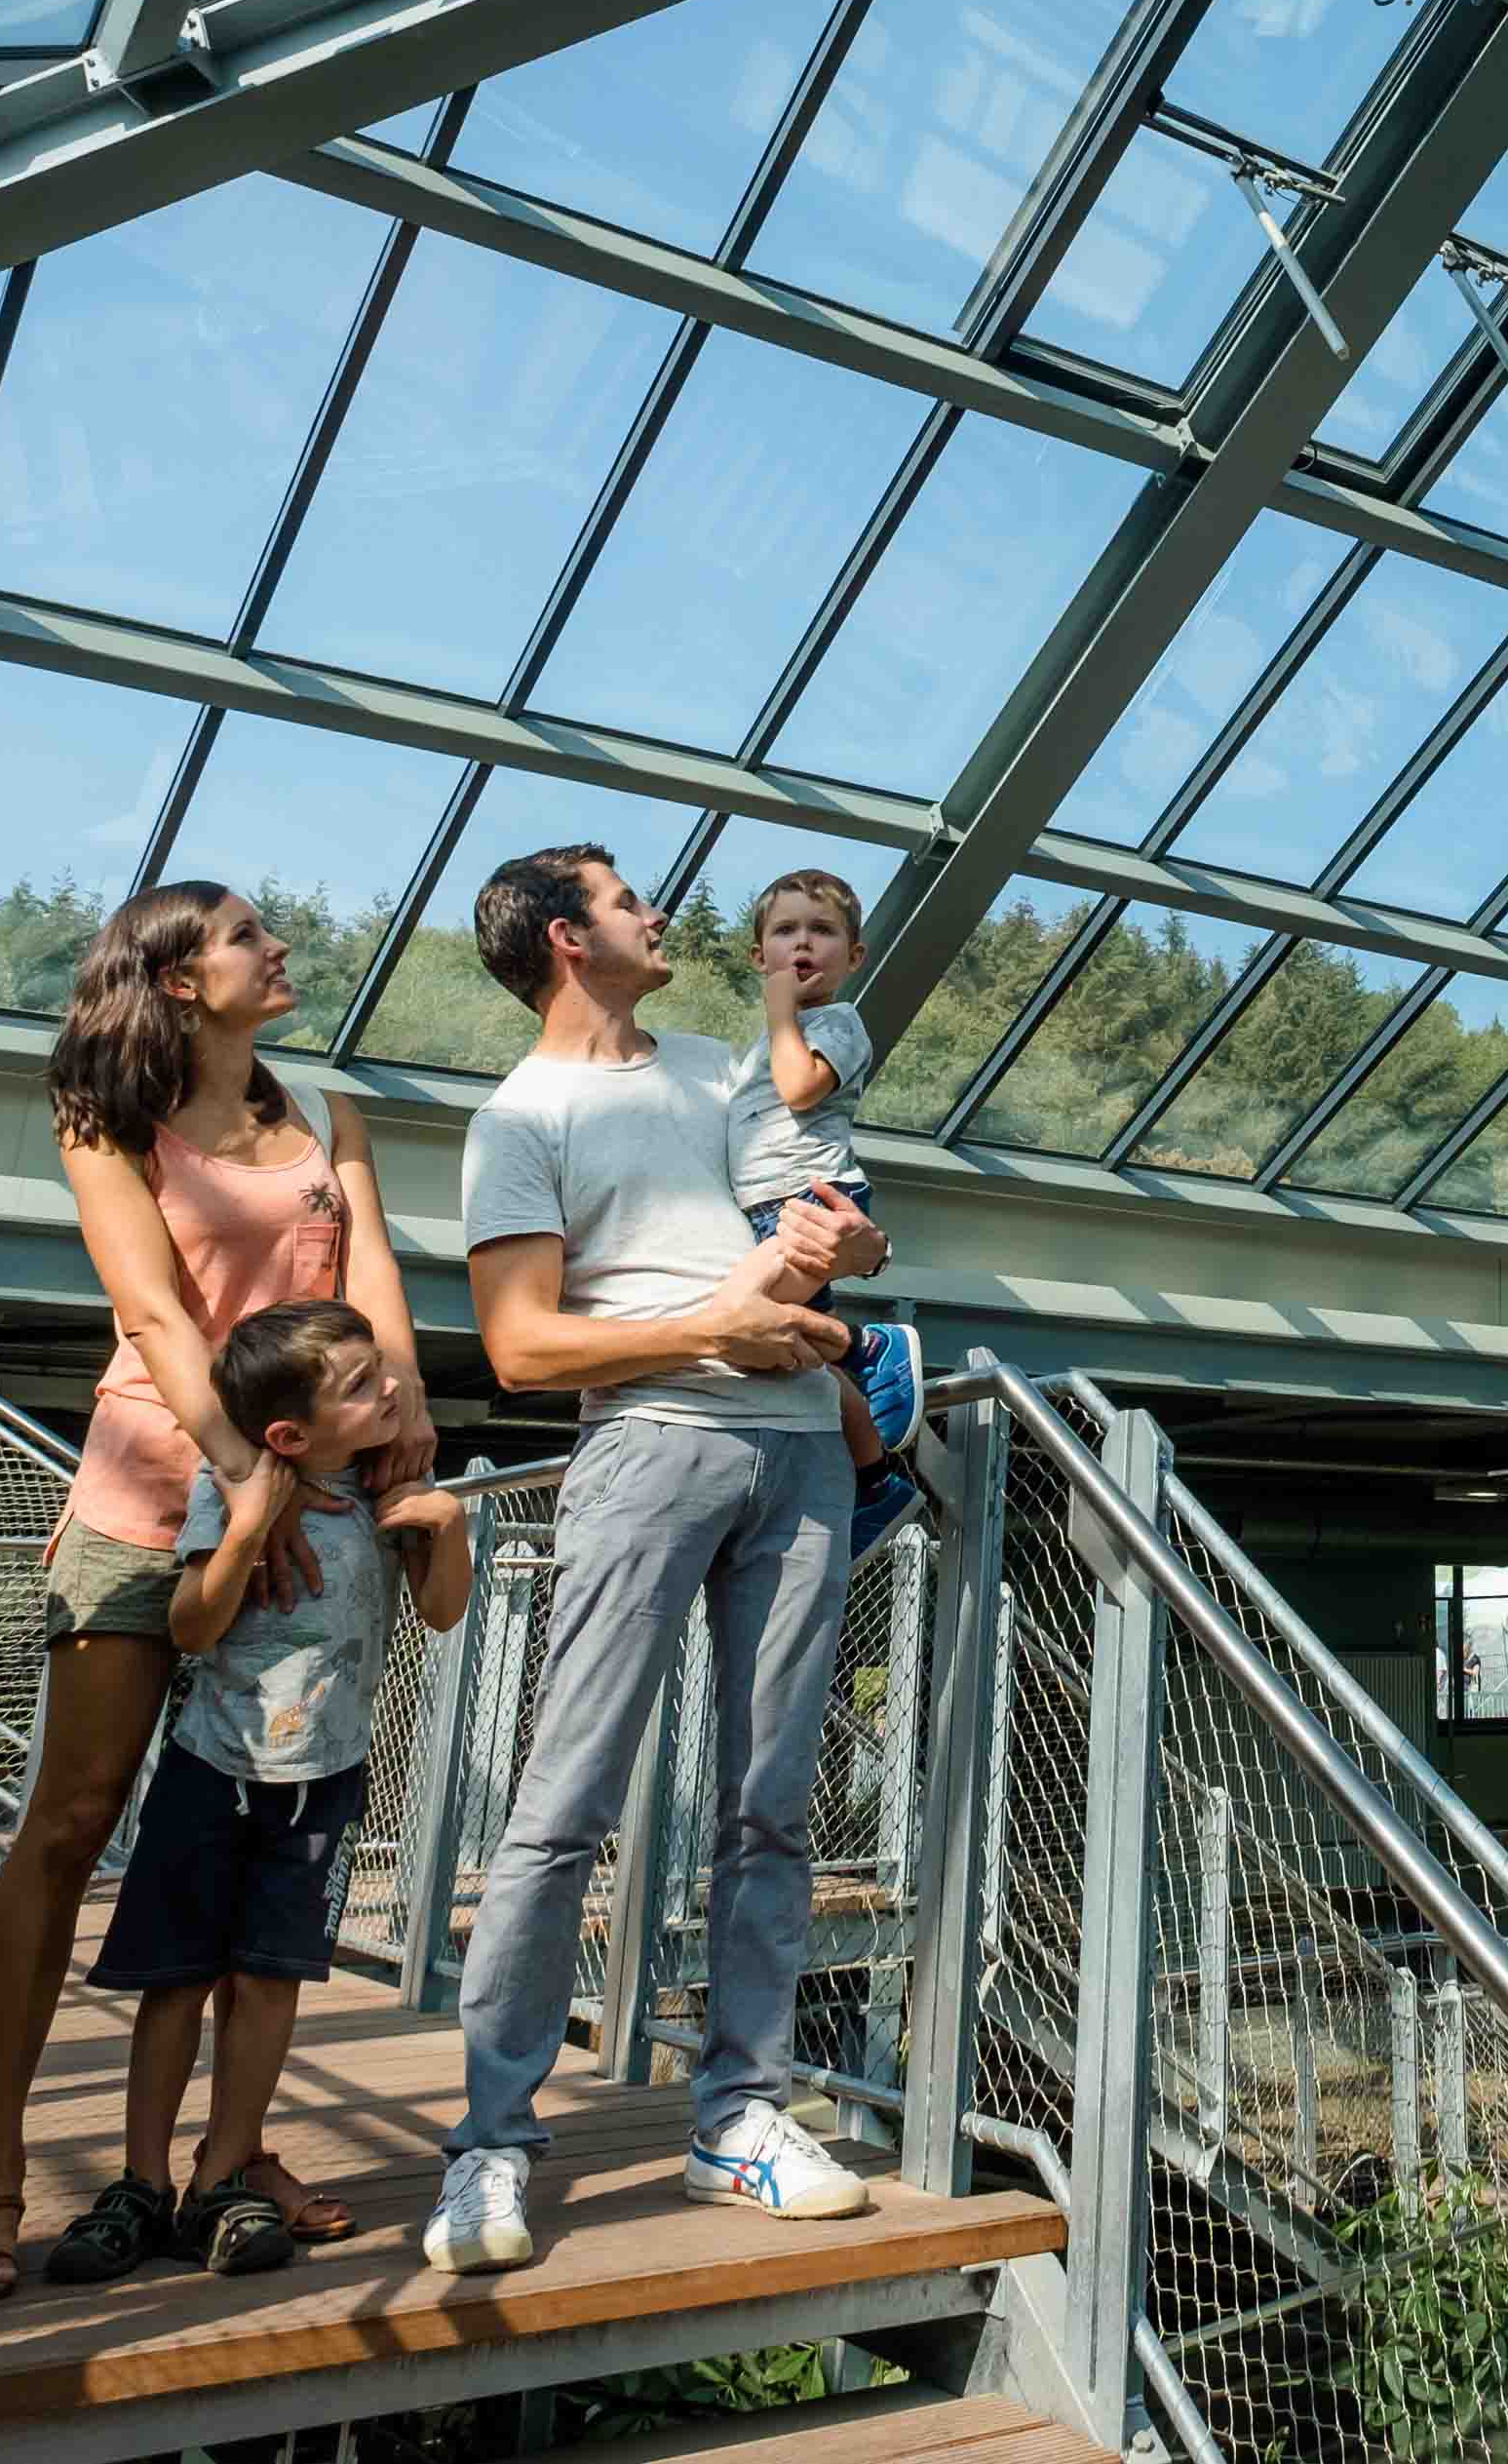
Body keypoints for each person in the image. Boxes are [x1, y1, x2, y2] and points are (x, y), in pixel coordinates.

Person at [0, 884, 436, 2307]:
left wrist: (401, 1410)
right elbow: (152, 1309)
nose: (281, 948)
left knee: (261, 1821)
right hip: (151, 1501)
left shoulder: (328, 1111)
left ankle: (229, 2153)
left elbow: (372, 1267)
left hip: (308, 1508)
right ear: (174, 978)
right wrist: (242, 1477)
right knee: (74, 1821)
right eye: (247, 937)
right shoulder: (107, 1120)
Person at [426, 843, 886, 2272]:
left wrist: (846, 1249)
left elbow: (800, 1212)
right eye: (629, 900)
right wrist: (712, 1329)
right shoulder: (522, 1115)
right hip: (652, 1448)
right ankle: (490, 2140)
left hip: (802, 1445)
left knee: (771, 1807)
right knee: (563, 1803)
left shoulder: (725, 1062)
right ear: (568, 939)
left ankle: (738, 2114)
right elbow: (520, 1347)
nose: (660, 912)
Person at [48, 1301, 473, 2283]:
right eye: (362, 1385)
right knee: (177, 1982)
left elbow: (441, 1613)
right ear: (288, 1435)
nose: (392, 1390)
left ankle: (221, 2175)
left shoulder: (390, 1490)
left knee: (270, 1982)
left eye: (382, 1373)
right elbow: (192, 1627)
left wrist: (442, 1524)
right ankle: (140, 2183)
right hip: (213, 1770)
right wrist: (244, 1528)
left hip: (322, 1781)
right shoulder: (232, 1485)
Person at [734, 870, 925, 1559]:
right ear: (759, 955)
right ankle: (875, 1482)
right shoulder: (754, 1050)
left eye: (821, 931)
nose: (802, 944)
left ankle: (869, 1352)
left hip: (813, 1199)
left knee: (757, 1323)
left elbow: (800, 1085)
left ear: (855, 956)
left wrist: (781, 1013)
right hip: (768, 1205)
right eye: (785, 931)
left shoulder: (837, 1025)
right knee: (788, 1349)